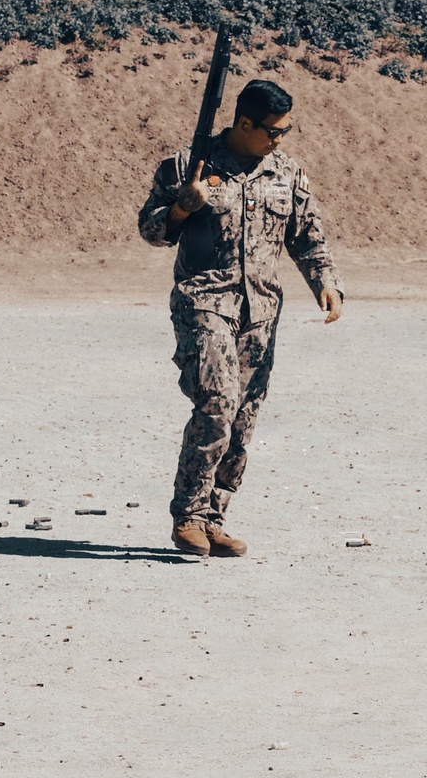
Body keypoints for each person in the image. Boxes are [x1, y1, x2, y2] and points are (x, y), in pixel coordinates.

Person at [139, 78, 343, 557]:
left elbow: (307, 235)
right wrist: (181, 207)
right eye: (273, 131)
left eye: (286, 131)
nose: (280, 139)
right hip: (204, 300)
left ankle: (214, 517)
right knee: (217, 401)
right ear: (245, 123)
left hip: (261, 309)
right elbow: (151, 230)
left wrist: (325, 281)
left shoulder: (286, 172)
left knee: (243, 416)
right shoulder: (188, 165)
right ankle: (188, 515)